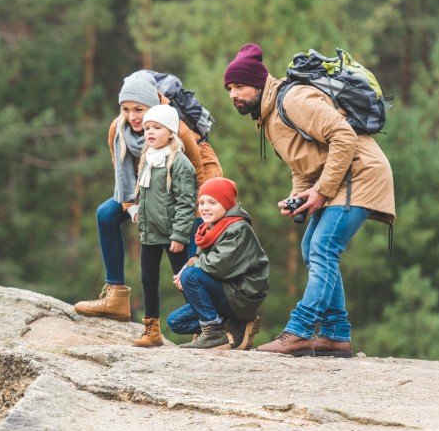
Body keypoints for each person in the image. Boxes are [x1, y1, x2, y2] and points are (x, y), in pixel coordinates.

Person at [223, 43, 395, 357]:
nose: (234, 94)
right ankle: (335, 334)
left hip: (361, 174)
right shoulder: (270, 116)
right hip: (341, 179)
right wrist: (298, 195)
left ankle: (300, 330)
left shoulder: (294, 99)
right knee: (310, 248)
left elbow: (343, 136)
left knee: (323, 247)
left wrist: (321, 191)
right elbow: (303, 162)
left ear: (260, 84)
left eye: (240, 86)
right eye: (230, 88)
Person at [75, 71, 223, 324]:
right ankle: (116, 296)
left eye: (139, 109)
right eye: (125, 109)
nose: (132, 116)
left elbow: (197, 175)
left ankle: (208, 319)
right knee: (106, 215)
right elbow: (121, 177)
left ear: (152, 106)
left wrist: (192, 219)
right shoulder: (118, 128)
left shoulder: (179, 129)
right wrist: (132, 208)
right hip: (149, 186)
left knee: (187, 247)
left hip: (192, 187)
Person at [166, 177, 269, 350]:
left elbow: (217, 265)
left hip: (242, 294)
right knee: (175, 322)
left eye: (212, 202)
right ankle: (231, 325)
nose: (205, 207)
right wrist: (189, 267)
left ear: (226, 203)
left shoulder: (238, 228)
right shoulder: (209, 228)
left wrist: (188, 270)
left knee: (191, 276)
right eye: (201, 202)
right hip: (225, 291)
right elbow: (200, 260)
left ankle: (214, 333)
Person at [128, 105, 198, 348]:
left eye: (156, 127)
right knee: (148, 280)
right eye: (147, 128)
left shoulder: (179, 163)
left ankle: (204, 327)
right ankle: (152, 330)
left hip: (172, 236)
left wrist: (179, 235)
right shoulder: (147, 159)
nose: (150, 132)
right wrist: (139, 212)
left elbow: (186, 202)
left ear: (170, 132)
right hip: (150, 234)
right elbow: (146, 195)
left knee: (185, 281)